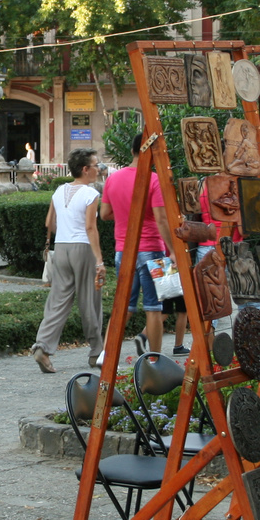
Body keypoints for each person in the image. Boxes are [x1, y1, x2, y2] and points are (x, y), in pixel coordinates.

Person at [32, 150, 105, 374]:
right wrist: (99, 260)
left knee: (58, 301)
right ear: (85, 169)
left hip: (61, 247)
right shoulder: (90, 193)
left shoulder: (59, 190)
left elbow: (49, 223)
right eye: (95, 165)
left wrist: (64, 232)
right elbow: (90, 228)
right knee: (90, 301)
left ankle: (42, 347)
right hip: (83, 249)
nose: (98, 169)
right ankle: (96, 352)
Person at [101, 134, 169, 355]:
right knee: (154, 308)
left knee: (124, 307)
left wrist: (126, 215)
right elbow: (161, 219)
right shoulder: (154, 179)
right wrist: (175, 251)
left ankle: (106, 354)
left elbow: (104, 214)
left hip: (123, 249)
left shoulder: (113, 178)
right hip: (153, 249)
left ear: (132, 151)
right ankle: (155, 360)